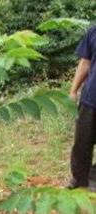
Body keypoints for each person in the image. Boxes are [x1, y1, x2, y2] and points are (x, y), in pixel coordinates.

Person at [68, 25, 96, 189]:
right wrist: (73, 90)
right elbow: (85, 62)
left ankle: (94, 178)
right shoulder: (93, 32)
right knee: (82, 142)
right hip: (90, 98)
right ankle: (79, 180)